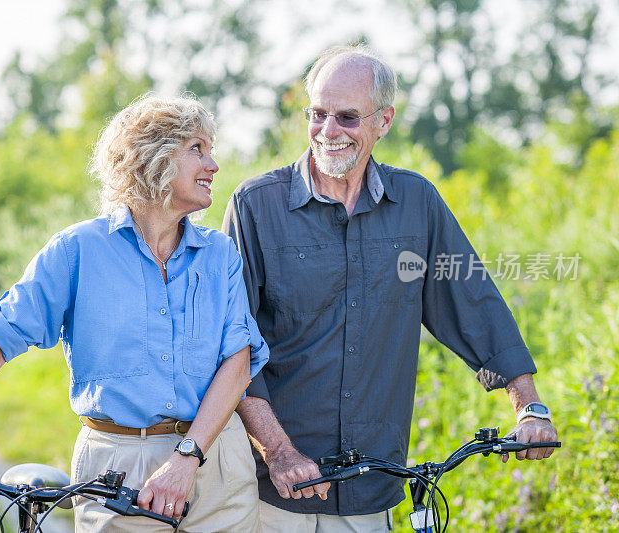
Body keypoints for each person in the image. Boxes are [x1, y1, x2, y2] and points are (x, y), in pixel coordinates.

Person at [0, 94, 269, 532]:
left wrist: (187, 457)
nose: (213, 164)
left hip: (218, 462)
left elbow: (238, 359)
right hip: (117, 473)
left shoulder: (219, 254)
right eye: (197, 149)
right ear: (150, 157)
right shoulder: (77, 251)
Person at [222, 45, 559, 532]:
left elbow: (474, 305)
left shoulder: (416, 203)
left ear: (384, 121)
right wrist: (279, 452)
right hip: (272, 493)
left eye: (347, 118)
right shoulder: (256, 206)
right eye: (317, 115)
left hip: (371, 488)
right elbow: (233, 341)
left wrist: (528, 406)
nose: (329, 132)